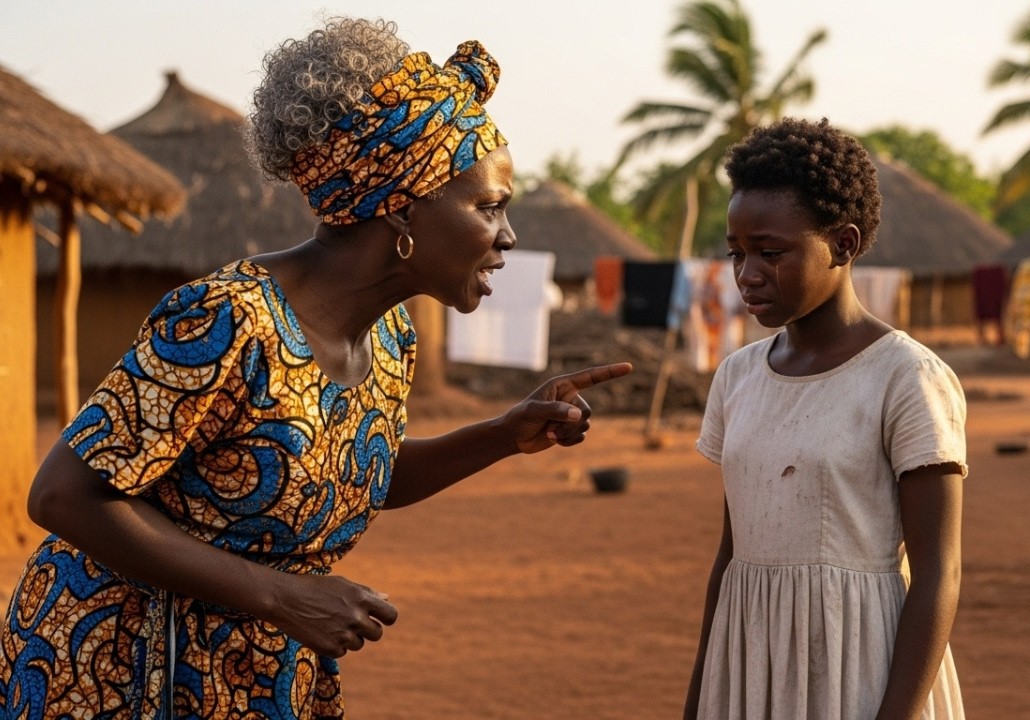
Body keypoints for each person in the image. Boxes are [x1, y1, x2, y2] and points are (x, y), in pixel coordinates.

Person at [0, 17, 630, 719]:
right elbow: (62, 495)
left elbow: (359, 472)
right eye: (489, 207)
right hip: (121, 668)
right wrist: (279, 594)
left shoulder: (389, 337)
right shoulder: (229, 322)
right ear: (401, 209)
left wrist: (505, 434)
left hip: (253, 670)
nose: (508, 237)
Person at [684, 118, 967, 720]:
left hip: (861, 667)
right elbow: (731, 554)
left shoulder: (905, 377)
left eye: (770, 251)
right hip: (751, 661)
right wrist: (703, 695)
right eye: (736, 253)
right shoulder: (738, 377)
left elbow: (939, 574)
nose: (747, 274)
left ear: (843, 243)